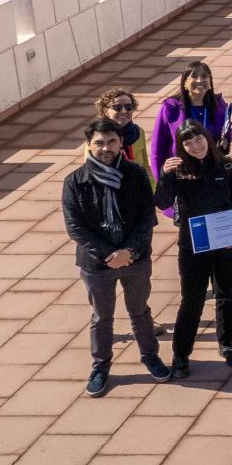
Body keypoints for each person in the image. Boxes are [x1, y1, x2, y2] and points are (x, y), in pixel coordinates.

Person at [64, 116, 167, 395]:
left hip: (135, 258)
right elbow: (75, 228)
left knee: (140, 312)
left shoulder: (135, 175)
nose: (106, 148)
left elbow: (148, 216)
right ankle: (101, 366)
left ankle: (150, 356)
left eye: (111, 141)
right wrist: (110, 254)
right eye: (99, 143)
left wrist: (129, 251)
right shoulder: (75, 181)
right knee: (102, 316)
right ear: (88, 145)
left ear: (121, 143)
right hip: (97, 263)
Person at [152, 121, 232, 376]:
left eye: (199, 140)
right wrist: (164, 175)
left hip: (227, 242)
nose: (196, 146)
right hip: (193, 246)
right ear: (181, 147)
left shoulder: (226, 164)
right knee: (191, 301)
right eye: (189, 143)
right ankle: (181, 355)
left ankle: (227, 344)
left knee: (227, 295)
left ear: (207, 138)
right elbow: (161, 201)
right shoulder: (178, 170)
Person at [151, 61, 229, 188]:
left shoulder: (219, 107)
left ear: (210, 82)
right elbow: (157, 150)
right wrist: (161, 184)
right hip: (180, 175)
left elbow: (224, 134)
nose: (199, 80)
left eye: (204, 76)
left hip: (210, 172)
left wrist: (226, 139)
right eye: (194, 76)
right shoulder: (171, 109)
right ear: (185, 83)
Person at [92, 88, 152, 186]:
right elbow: (93, 171)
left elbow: (145, 166)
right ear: (105, 110)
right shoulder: (97, 137)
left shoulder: (138, 132)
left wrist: (153, 191)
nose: (124, 111)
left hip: (137, 191)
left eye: (128, 107)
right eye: (117, 107)